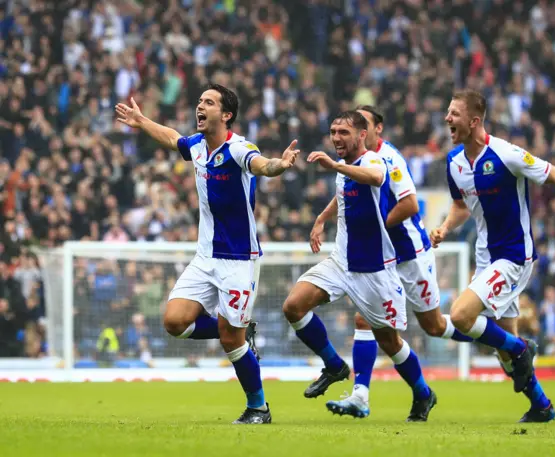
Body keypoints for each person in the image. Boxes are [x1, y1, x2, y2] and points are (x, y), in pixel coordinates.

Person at [115, 83, 299, 424]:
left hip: (239, 260)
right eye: (200, 100)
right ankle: (240, 329)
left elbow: (261, 165)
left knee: (232, 343)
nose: (200, 106)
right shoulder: (197, 145)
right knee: (174, 322)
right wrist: (142, 122)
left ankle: (258, 407)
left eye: (209, 102)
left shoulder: (239, 148)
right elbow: (173, 139)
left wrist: (281, 165)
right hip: (205, 257)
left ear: (225, 115)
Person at [431, 89, 555, 422]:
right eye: (447, 112)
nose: (447, 118)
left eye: (454, 113)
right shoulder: (454, 163)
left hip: (513, 257)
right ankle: (541, 405)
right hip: (486, 258)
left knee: (462, 315)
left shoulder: (506, 154)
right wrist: (444, 228)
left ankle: (523, 348)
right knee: (505, 354)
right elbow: (460, 206)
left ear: (474, 120)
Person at [282, 111, 437, 422]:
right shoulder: (345, 169)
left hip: (375, 269)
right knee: (293, 306)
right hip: (342, 261)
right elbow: (342, 196)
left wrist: (335, 165)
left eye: (343, 132)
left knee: (390, 342)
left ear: (362, 135)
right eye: (333, 132)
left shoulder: (374, 161)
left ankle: (422, 392)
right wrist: (321, 219)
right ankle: (334, 366)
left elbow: (376, 178)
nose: (337, 138)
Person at [324, 105, 472, 419]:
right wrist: (323, 218)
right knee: (368, 322)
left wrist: (377, 228)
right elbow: (347, 191)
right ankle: (362, 394)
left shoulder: (389, 160)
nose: (352, 129)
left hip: (409, 254)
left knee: (433, 325)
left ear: (375, 129)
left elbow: (407, 205)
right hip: (381, 257)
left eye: (361, 123)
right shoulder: (355, 162)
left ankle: (496, 341)